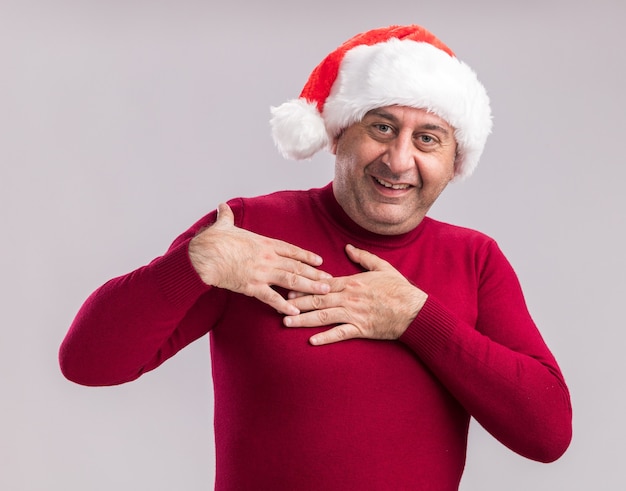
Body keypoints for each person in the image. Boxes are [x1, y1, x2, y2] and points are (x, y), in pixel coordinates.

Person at [59, 25, 572, 490]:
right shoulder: (249, 229)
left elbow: (547, 434)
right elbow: (87, 363)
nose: (399, 160)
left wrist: (417, 320)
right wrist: (188, 266)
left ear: (453, 161)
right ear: (336, 133)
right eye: (382, 127)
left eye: (427, 139)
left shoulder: (474, 259)